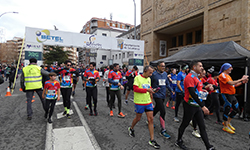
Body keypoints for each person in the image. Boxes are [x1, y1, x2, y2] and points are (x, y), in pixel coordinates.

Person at [175, 61, 215, 150]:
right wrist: (203, 106)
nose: (202, 68)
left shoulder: (197, 78)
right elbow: (192, 93)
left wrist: (204, 90)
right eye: (200, 66)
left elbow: (197, 90)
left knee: (202, 126)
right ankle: (179, 141)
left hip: (197, 105)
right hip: (190, 105)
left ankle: (208, 146)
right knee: (185, 124)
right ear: (194, 67)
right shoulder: (189, 77)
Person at [128, 65, 160, 149]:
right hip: (139, 102)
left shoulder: (149, 79)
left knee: (151, 119)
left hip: (148, 102)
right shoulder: (137, 78)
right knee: (138, 118)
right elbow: (135, 89)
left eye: (152, 72)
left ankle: (152, 140)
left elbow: (149, 89)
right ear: (145, 71)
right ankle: (131, 128)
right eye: (150, 72)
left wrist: (152, 93)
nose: (151, 74)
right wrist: (147, 90)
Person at [219, 63, 248, 134]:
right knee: (227, 108)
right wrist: (241, 79)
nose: (232, 69)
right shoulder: (222, 75)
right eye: (230, 67)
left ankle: (227, 122)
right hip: (226, 94)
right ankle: (225, 126)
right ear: (226, 68)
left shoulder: (228, 75)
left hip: (232, 94)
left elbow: (233, 85)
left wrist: (242, 82)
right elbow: (231, 83)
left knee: (236, 109)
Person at [151, 61, 174, 139]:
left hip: (163, 95)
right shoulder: (153, 75)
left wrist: (171, 90)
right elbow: (149, 84)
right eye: (162, 66)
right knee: (163, 111)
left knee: (157, 108)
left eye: (164, 66)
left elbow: (167, 83)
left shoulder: (165, 74)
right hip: (156, 95)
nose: (163, 68)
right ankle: (163, 130)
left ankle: (150, 119)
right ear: (158, 66)